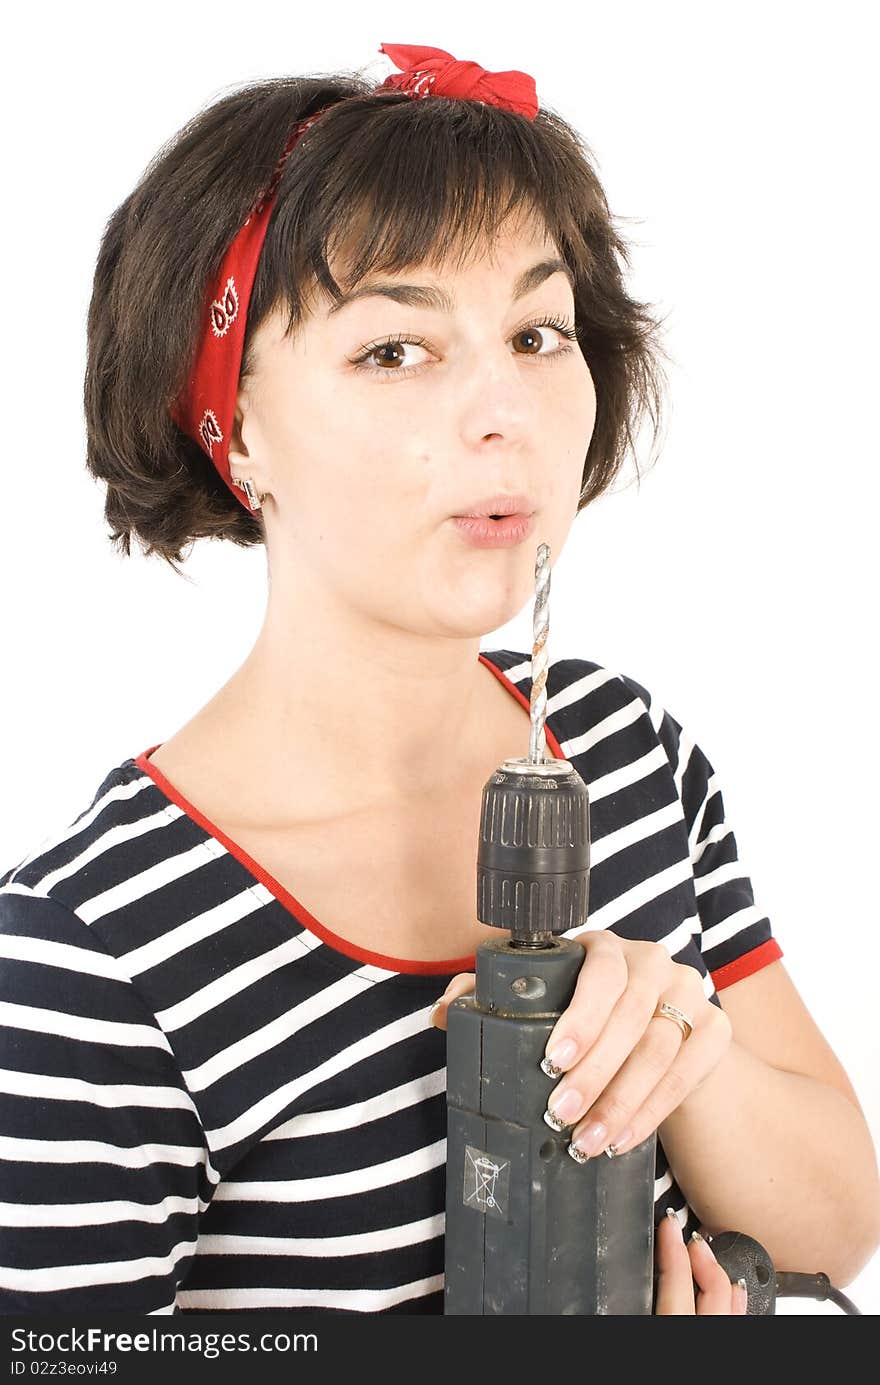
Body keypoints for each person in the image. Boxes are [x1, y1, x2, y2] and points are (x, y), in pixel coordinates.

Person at [1, 41, 878, 1317]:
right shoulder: (88, 958)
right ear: (234, 428)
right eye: (394, 352)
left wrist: (683, 1048)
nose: (503, 412)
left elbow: (837, 1227)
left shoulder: (628, 751)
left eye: (536, 332)